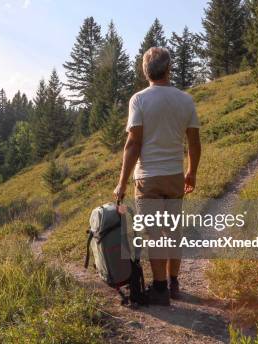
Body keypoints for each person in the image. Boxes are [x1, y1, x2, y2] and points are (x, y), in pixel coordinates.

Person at [113, 47, 201, 305]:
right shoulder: (186, 100)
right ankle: (174, 283)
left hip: (148, 178)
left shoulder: (139, 100)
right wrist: (191, 172)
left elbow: (133, 144)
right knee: (173, 230)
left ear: (145, 71)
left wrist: (121, 183)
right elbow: (194, 143)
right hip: (174, 175)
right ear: (169, 68)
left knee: (153, 233)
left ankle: (160, 289)